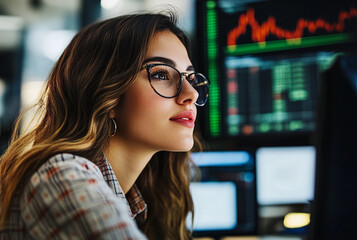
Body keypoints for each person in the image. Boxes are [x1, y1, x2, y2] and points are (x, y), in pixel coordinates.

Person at [0, 11, 209, 240]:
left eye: (190, 78)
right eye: (161, 74)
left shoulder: (138, 200)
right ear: (106, 95)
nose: (191, 94)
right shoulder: (62, 175)